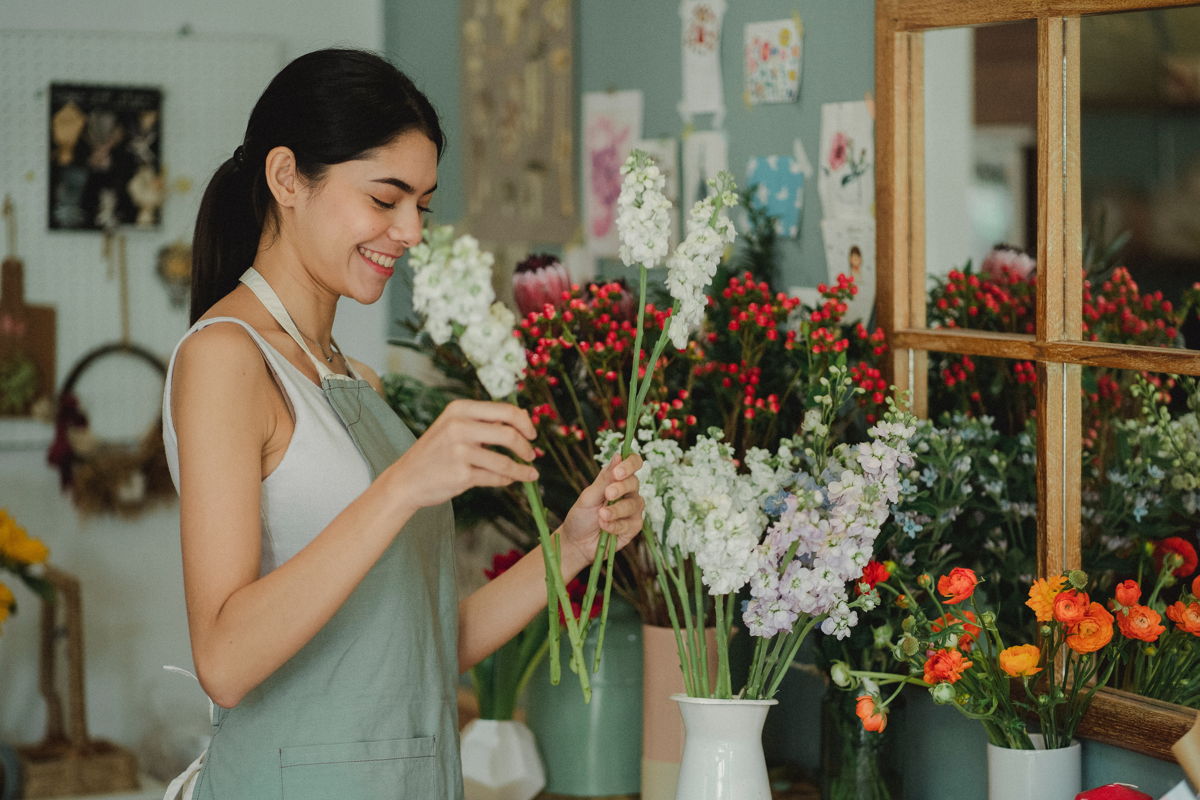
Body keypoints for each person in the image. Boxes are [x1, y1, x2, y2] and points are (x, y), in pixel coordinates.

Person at [161, 48, 645, 800]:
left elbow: (420, 643)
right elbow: (223, 658)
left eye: (422, 203)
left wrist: (573, 548)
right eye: (386, 198)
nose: (411, 231)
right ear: (287, 178)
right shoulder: (227, 358)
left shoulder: (358, 382)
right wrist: (401, 486)